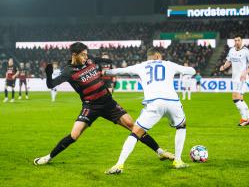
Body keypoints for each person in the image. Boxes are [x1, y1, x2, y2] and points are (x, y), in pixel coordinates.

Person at [33, 42, 173, 166]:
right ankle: (48, 157)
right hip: (90, 107)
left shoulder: (90, 60)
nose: (86, 57)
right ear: (74, 55)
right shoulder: (68, 71)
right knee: (74, 135)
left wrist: (107, 60)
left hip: (108, 103)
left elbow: (100, 60)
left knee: (135, 127)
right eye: (83, 55)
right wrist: (48, 74)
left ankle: (160, 152)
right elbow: (51, 85)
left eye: (86, 54)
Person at [105, 47, 196, 174]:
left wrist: (105, 72)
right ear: (158, 56)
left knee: (135, 133)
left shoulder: (141, 66)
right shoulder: (168, 64)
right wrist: (188, 70)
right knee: (181, 126)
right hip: (172, 102)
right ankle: (178, 161)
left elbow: (120, 71)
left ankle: (119, 165)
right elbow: (191, 71)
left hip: (154, 103)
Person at [220, 35, 249, 126]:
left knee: (235, 97)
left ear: (242, 41)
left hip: (242, 78)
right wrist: (224, 67)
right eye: (235, 40)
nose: (237, 42)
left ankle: (244, 119)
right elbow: (229, 61)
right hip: (235, 78)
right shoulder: (231, 50)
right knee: (240, 99)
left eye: (238, 40)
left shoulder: (246, 51)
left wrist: (246, 72)